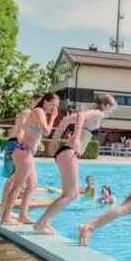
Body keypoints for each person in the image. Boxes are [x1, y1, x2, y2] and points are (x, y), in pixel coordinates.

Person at [34, 95, 117, 234]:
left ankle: (43, 221)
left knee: (71, 193)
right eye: (113, 107)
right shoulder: (98, 113)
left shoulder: (94, 114)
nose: (112, 111)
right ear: (108, 105)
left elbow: (65, 120)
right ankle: (41, 223)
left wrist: (55, 139)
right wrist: (77, 136)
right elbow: (81, 115)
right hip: (70, 153)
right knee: (71, 194)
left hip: (65, 153)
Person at [1, 93, 59, 225]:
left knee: (32, 185)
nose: (54, 107)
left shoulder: (39, 112)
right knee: (17, 186)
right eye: (53, 104)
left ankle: (23, 215)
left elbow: (33, 133)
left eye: (56, 105)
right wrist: (54, 118)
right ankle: (5, 217)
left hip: (26, 152)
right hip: (24, 152)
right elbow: (46, 131)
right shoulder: (39, 111)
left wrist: (38, 143)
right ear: (45, 101)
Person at [0, 94, 43, 221]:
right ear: (32, 101)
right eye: (38, 101)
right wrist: (22, 146)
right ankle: (4, 211)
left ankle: (13, 212)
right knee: (14, 179)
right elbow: (21, 130)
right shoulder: (28, 112)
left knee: (25, 182)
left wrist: (37, 143)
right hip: (16, 145)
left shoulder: (32, 114)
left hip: (19, 146)